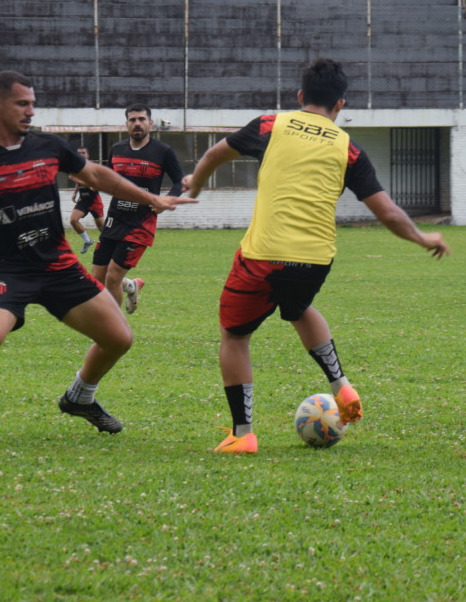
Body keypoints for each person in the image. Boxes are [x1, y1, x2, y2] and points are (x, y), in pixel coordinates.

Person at [0, 71, 196, 446]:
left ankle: (80, 396)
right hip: (8, 270)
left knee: (119, 337)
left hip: (59, 264)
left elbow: (97, 175)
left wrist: (152, 198)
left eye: (33, 104)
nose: (30, 111)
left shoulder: (47, 145)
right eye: (22, 104)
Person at [182, 58, 450, 454]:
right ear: (341, 104)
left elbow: (212, 156)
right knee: (298, 307)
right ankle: (341, 384)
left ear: (300, 96)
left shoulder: (270, 125)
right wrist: (422, 236)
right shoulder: (349, 149)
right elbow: (388, 212)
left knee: (235, 335)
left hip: (264, 256)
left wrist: (195, 185)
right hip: (316, 259)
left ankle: (243, 434)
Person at [90, 104, 185, 315]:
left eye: (142, 119)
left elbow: (180, 181)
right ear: (126, 124)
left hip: (140, 224)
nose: (137, 124)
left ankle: (114, 327)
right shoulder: (117, 149)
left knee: (113, 277)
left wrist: (167, 200)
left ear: (150, 123)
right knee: (97, 277)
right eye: (132, 120)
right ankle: (131, 286)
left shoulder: (163, 151)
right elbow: (108, 179)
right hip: (114, 219)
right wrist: (90, 181)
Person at [68, 146, 105, 255]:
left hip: (94, 200)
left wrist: (75, 179)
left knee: (102, 227)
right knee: (73, 220)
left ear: (87, 155)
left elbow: (94, 186)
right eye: (79, 153)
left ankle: (111, 243)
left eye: (83, 153)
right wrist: (75, 192)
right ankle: (88, 241)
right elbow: (78, 181)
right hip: (83, 199)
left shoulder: (92, 168)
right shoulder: (77, 167)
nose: (81, 155)